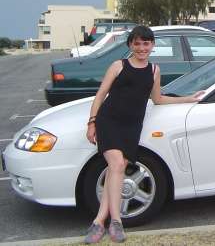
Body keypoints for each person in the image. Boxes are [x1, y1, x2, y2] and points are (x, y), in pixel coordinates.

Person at [84, 25, 203, 244]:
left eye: (146, 43)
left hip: (131, 126)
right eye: (137, 43)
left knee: (114, 171)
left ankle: (99, 221)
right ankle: (116, 222)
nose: (141, 48)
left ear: (152, 46)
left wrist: (188, 98)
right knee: (117, 165)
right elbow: (100, 95)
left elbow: (158, 99)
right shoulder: (118, 65)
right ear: (130, 45)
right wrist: (92, 123)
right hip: (109, 122)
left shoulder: (154, 70)